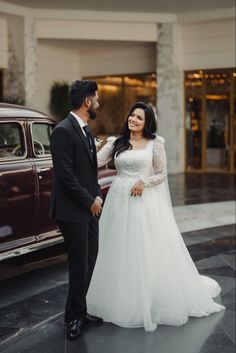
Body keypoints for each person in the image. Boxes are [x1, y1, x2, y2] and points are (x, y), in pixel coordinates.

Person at [87, 102, 225, 332]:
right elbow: (95, 161)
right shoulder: (116, 142)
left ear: (147, 122)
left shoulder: (155, 144)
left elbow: (161, 173)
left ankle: (148, 296)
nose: (133, 120)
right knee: (117, 247)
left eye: (139, 118)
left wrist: (144, 181)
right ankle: (119, 294)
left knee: (143, 246)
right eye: (132, 115)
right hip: (118, 199)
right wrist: (87, 147)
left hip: (142, 200)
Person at [50, 80, 103, 340]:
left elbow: (89, 171)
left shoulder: (86, 130)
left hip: (89, 208)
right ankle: (72, 318)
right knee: (78, 266)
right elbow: (66, 176)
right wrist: (89, 200)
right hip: (72, 211)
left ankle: (81, 311)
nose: (98, 103)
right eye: (96, 98)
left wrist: (97, 195)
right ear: (87, 101)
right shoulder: (62, 131)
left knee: (91, 260)